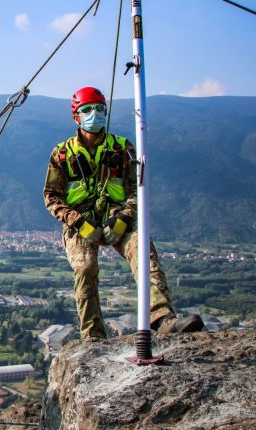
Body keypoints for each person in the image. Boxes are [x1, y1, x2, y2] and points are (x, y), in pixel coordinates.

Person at [43, 87, 203, 339]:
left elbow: (136, 189)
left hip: (118, 218)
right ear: (76, 116)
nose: (94, 114)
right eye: (87, 110)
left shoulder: (121, 148)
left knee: (142, 250)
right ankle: (92, 335)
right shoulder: (63, 154)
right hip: (80, 223)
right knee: (85, 267)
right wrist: (77, 221)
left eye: (99, 109)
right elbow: (52, 197)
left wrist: (125, 217)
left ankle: (162, 318)